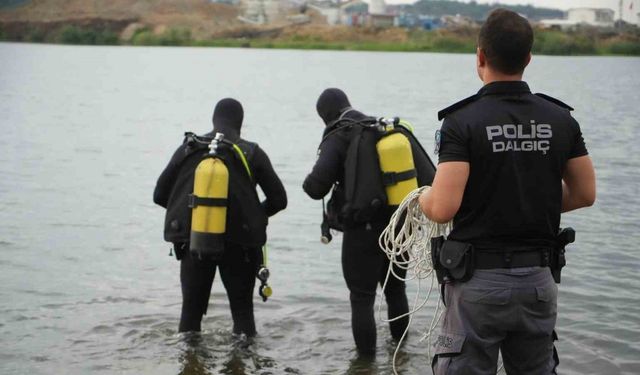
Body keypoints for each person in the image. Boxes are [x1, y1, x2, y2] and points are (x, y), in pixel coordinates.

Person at [420, 9, 596, 375]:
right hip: (538, 281)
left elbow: (442, 208)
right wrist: (532, 202)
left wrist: (422, 197)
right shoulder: (561, 119)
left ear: (480, 56)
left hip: (477, 286)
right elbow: (584, 193)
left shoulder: (461, 122)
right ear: (528, 58)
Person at [303, 88, 436, 356]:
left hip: (362, 229)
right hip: (399, 224)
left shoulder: (338, 134)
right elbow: (430, 177)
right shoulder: (384, 129)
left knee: (362, 299)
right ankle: (401, 355)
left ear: (325, 116)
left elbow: (316, 187)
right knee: (395, 289)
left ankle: (365, 365)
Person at [153, 98, 287, 335]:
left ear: (213, 120)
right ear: (240, 124)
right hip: (241, 246)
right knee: (243, 316)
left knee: (190, 316)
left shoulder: (189, 147)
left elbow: (160, 195)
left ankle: (189, 364)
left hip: (197, 240)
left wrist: (195, 216)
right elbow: (279, 200)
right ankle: (243, 365)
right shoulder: (252, 153)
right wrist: (254, 216)